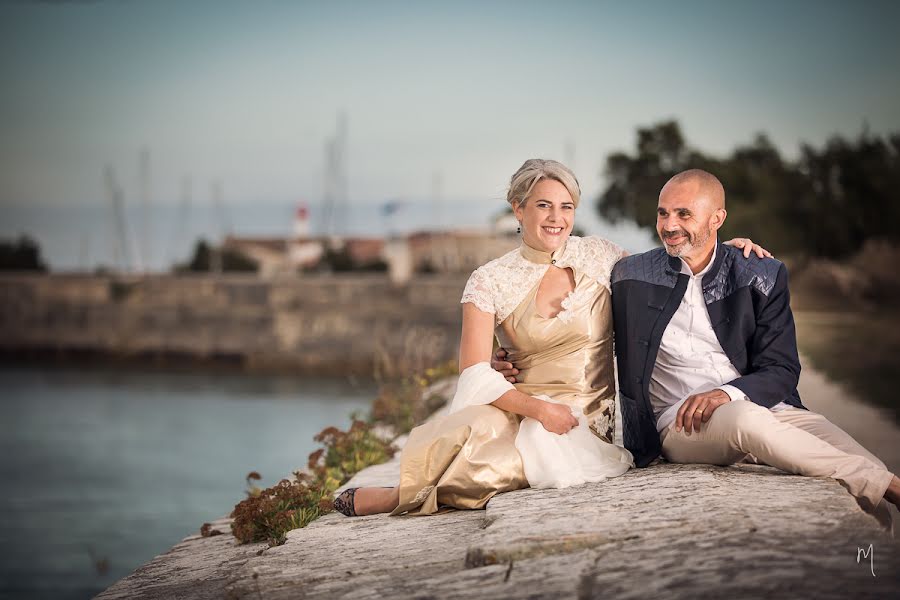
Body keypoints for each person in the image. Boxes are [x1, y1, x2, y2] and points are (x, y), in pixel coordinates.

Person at [334, 160, 768, 518]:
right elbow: (472, 373)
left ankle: (395, 498)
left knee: (495, 467)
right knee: (472, 427)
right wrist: (536, 408)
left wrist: (721, 248)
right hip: (526, 405)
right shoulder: (490, 280)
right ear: (518, 209)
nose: (557, 218)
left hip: (590, 420)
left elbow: (674, 263)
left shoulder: (601, 256)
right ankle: (410, 485)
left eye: (566, 206)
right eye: (544, 205)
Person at [605, 168, 899, 526]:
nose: (669, 225)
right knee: (748, 421)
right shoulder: (629, 276)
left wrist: (726, 393)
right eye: (663, 212)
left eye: (684, 214)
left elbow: (783, 369)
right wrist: (515, 360)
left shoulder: (760, 273)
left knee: (862, 465)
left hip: (766, 408)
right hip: (678, 424)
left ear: (717, 219)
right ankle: (891, 486)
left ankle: (876, 562)